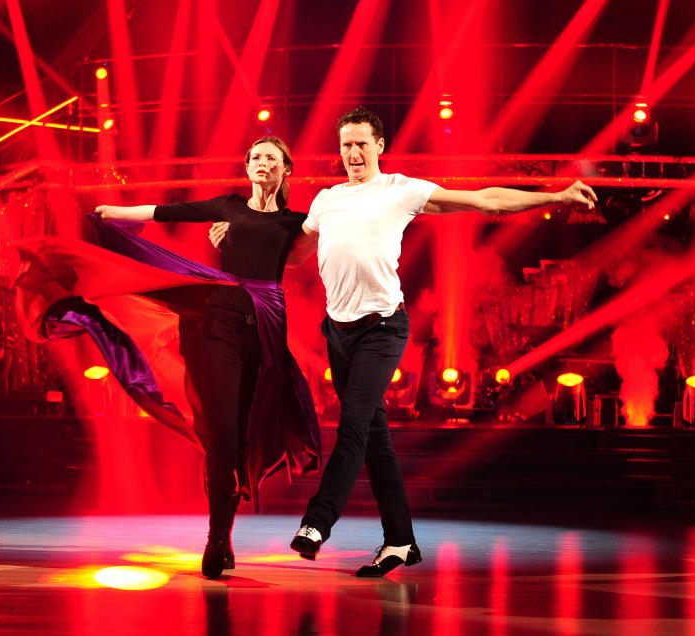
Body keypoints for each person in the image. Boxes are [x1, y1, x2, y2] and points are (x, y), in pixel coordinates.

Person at [214, 107, 597, 577]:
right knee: (375, 441)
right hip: (338, 332)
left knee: (353, 423)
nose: (352, 153)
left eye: (360, 144)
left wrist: (555, 196)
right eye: (345, 145)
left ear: (379, 147)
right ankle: (400, 541)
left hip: (383, 328)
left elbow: (485, 201)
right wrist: (236, 235)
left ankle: (318, 521)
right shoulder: (327, 201)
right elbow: (290, 257)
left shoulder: (402, 190)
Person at [43, 136, 319, 580]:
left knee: (248, 429)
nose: (262, 162)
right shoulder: (229, 205)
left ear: (287, 169)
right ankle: (216, 538)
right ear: (247, 167)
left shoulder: (297, 221)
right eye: (255, 157)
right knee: (223, 431)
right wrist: (115, 214)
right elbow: (167, 212)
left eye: (271, 157)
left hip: (268, 323)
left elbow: (299, 258)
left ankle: (225, 532)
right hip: (221, 321)